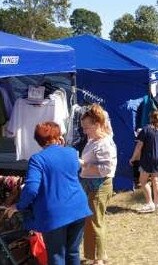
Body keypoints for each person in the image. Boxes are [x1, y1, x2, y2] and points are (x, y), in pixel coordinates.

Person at [6, 122, 92, 265]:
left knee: (57, 255)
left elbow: (32, 188)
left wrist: (19, 206)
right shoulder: (71, 152)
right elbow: (72, 168)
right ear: (59, 136)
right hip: (78, 208)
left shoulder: (38, 159)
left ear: (38, 140)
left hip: (55, 214)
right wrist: (62, 147)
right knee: (73, 252)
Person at [80, 104, 117, 265]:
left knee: (95, 222)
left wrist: (83, 164)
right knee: (94, 221)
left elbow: (105, 168)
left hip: (99, 186)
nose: (84, 131)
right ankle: (99, 255)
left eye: (86, 127)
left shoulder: (103, 143)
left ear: (96, 124)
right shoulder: (94, 139)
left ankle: (98, 260)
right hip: (93, 185)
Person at [129, 110, 158, 213]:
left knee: (143, 181)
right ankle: (156, 203)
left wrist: (133, 158)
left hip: (147, 159)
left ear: (151, 118)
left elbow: (139, 146)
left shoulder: (145, 130)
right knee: (156, 180)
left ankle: (149, 203)